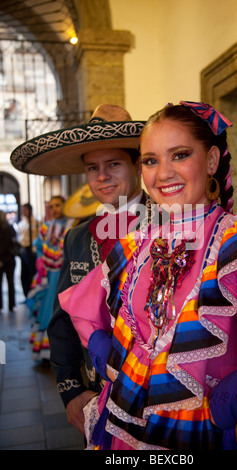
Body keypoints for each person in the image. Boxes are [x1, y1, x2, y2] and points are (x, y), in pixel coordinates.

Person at [59, 101, 237, 451]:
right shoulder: (134, 247)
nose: (163, 174)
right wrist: (99, 343)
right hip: (125, 428)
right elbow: (81, 304)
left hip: (213, 433)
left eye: (180, 155)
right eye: (151, 161)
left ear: (212, 161)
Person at [10, 104, 147, 436]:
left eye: (113, 164)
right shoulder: (76, 236)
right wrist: (70, 390)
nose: (101, 177)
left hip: (162, 394)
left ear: (137, 165)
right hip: (97, 391)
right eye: (92, 167)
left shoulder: (172, 223)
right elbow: (62, 320)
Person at [28, 195, 76, 363]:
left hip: (65, 276)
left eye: (58, 205)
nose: (55, 209)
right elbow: (40, 248)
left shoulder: (73, 225)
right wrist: (41, 262)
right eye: (52, 206)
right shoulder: (46, 227)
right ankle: (47, 352)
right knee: (47, 311)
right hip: (49, 278)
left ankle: (65, 352)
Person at [17, 203, 38, 298]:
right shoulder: (22, 223)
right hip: (23, 249)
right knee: (23, 274)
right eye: (22, 210)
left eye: (25, 209)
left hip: (32, 249)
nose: (23, 212)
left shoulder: (35, 222)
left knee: (32, 272)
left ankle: (32, 294)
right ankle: (26, 294)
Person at [0, 210, 17, 312]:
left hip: (4, 259)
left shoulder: (6, 228)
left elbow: (5, 245)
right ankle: (11, 304)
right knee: (10, 282)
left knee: (5, 282)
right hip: (10, 259)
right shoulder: (9, 227)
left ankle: (2, 305)